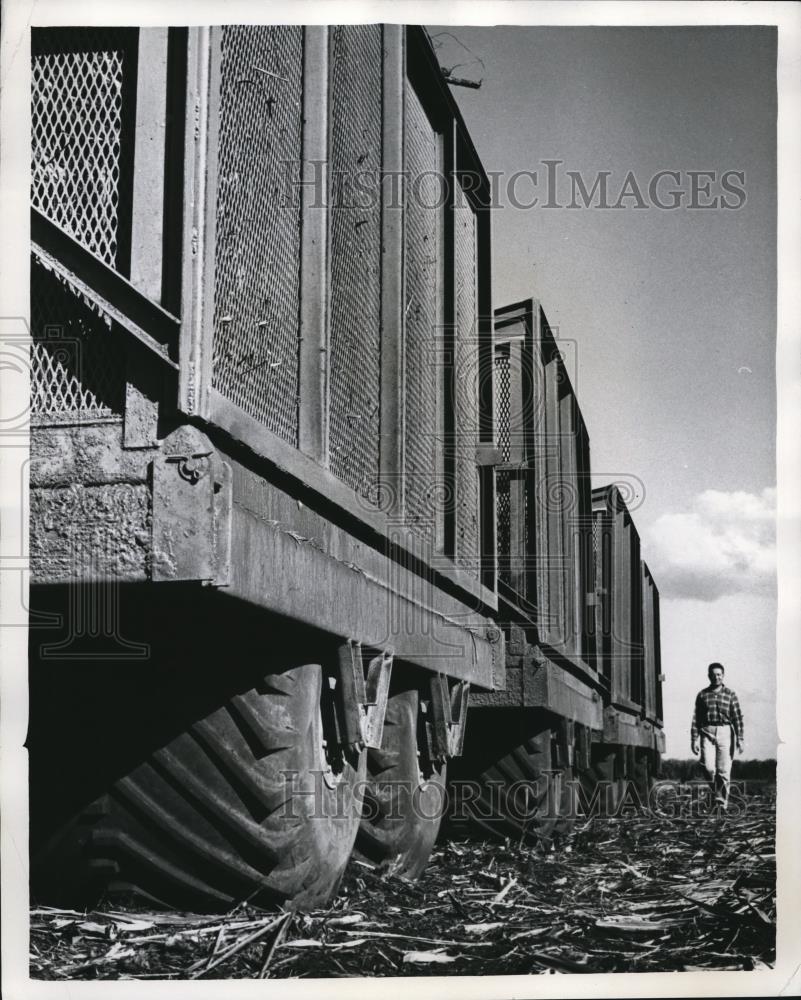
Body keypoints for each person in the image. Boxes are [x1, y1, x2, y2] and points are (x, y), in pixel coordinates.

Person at [690, 662, 744, 811]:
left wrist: (740, 738)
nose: (716, 677)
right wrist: (694, 739)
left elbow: (737, 717)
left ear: (723, 675)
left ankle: (721, 805)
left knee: (724, 771)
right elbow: (696, 719)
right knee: (707, 766)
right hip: (706, 731)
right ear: (709, 676)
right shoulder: (702, 695)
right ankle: (717, 791)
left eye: (719, 674)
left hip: (725, 732)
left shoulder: (730, 694)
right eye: (713, 675)